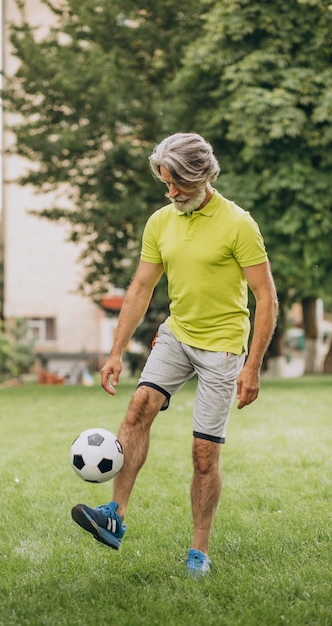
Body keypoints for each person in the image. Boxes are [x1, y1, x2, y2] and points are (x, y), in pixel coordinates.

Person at [71, 132, 278, 576]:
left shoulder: (238, 224)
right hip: (177, 334)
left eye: (178, 184)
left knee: (204, 453)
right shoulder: (160, 221)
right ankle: (115, 516)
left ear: (204, 176)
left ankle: (199, 551)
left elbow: (266, 296)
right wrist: (114, 352)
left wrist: (253, 365)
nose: (172, 193)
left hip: (222, 346)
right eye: (166, 184)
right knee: (139, 405)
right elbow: (142, 287)